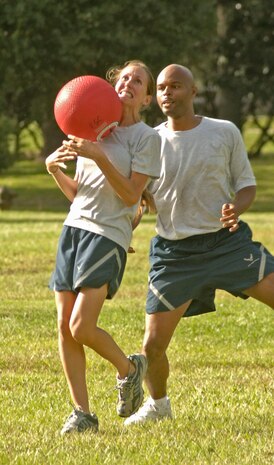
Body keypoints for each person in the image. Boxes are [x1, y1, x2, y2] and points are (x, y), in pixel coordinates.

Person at [124, 64, 274, 426]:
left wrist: (236, 208)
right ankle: (159, 406)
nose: (166, 93)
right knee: (152, 347)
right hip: (175, 255)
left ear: (194, 91)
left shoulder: (224, 132)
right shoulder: (150, 141)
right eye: (160, 88)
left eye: (175, 86)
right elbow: (138, 198)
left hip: (227, 245)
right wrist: (126, 226)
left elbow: (247, 185)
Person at [45, 60, 161, 434]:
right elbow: (80, 196)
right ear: (113, 85)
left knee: (82, 326)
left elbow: (131, 195)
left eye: (138, 80)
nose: (129, 82)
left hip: (108, 235)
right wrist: (55, 171)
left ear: (146, 98)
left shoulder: (146, 138)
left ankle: (129, 368)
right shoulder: (92, 131)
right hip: (73, 230)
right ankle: (82, 414)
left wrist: (97, 155)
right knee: (64, 327)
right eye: (124, 76)